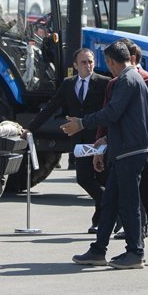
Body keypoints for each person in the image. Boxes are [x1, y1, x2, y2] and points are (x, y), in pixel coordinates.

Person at [63, 40, 148, 270]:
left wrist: (82, 123)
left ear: (111, 62)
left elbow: (112, 113)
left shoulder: (126, 80)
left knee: (129, 203)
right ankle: (98, 250)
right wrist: (106, 140)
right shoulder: (133, 78)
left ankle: (135, 252)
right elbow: (125, 118)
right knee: (110, 201)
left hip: (130, 151)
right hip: (124, 149)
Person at [97, 40, 148, 266]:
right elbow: (108, 118)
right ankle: (116, 247)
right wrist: (99, 147)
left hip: (142, 151)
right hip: (123, 149)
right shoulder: (115, 84)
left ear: (132, 59)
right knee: (119, 201)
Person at [32, 48, 110, 231]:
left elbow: (109, 111)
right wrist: (31, 128)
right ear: (75, 65)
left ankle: (101, 218)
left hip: (99, 139)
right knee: (83, 178)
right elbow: (51, 107)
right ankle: (108, 205)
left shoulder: (104, 83)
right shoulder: (68, 84)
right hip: (80, 141)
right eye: (83, 62)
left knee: (103, 178)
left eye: (90, 61)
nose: (88, 65)